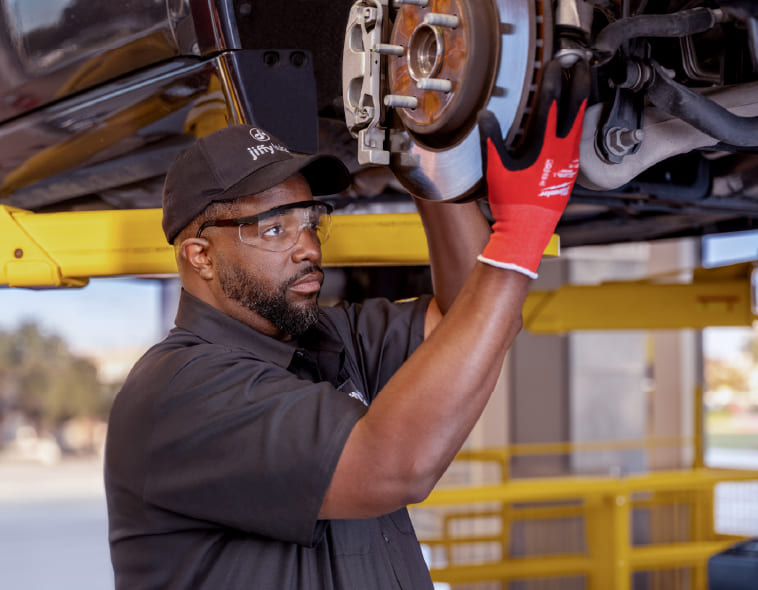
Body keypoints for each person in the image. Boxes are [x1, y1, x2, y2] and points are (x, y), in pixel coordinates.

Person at [104, 59, 589, 589]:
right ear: (200, 256)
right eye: (273, 230)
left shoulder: (327, 342)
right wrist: (518, 239)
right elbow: (393, 467)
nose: (308, 247)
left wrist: (427, 152)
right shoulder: (179, 394)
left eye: (311, 220)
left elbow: (476, 317)